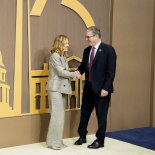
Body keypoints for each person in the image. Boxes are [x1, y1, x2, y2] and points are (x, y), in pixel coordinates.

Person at [74, 26, 117, 149]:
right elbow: (83, 65)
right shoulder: (87, 50)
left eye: (88, 37)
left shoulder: (109, 50)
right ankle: (82, 136)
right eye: (86, 37)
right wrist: (78, 72)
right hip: (88, 89)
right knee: (84, 114)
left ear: (96, 36)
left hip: (102, 90)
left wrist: (106, 88)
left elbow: (111, 72)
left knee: (101, 116)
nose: (86, 39)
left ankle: (100, 140)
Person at [46, 35, 80, 150]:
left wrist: (73, 74)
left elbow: (63, 72)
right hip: (55, 89)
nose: (68, 45)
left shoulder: (62, 56)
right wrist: (75, 74)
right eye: (66, 43)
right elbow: (60, 72)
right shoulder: (54, 56)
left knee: (60, 116)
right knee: (57, 116)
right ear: (60, 43)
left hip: (62, 89)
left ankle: (57, 141)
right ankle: (53, 143)